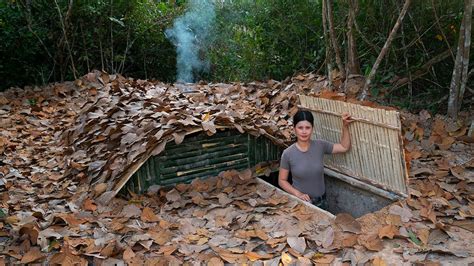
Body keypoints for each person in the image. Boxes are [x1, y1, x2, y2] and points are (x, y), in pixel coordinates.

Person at [278, 110, 353, 209]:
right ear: (294, 129)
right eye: (300, 128)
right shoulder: (288, 154)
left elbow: (344, 147)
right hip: (301, 204)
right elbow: (282, 180)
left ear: (312, 128)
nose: (304, 131)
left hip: (322, 202)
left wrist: (345, 126)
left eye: (307, 127)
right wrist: (298, 194)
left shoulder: (320, 146)